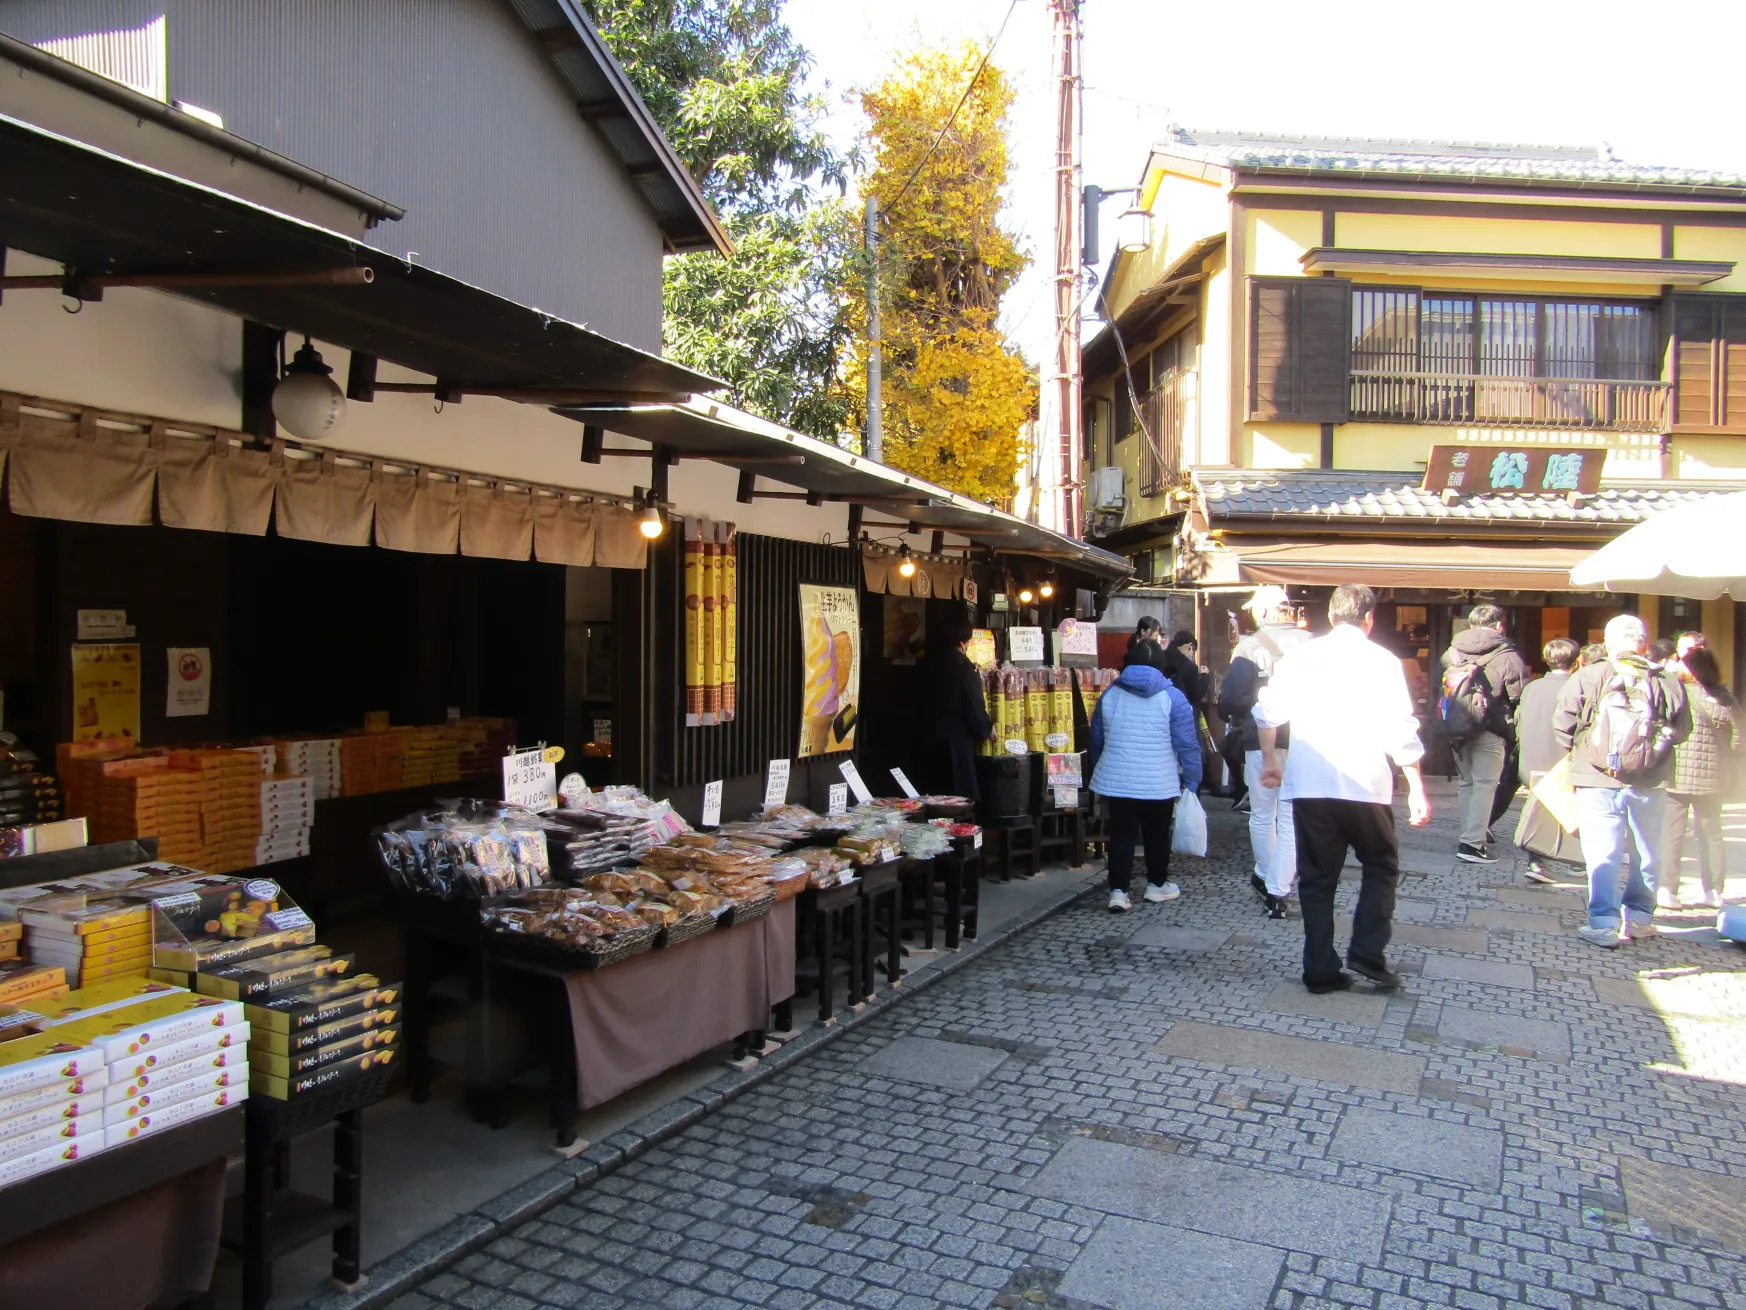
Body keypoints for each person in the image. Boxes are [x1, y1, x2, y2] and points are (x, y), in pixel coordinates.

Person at [1255, 584, 1430, 994]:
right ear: (1369, 618)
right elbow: (1400, 728)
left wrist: (1270, 761)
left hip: (1311, 783)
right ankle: (1368, 950)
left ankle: (1319, 968)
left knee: (1317, 877)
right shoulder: (1383, 661)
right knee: (1381, 864)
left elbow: (1267, 711)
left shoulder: (1300, 658)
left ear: (1330, 617)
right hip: (1365, 782)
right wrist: (1417, 785)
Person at [1553, 614, 1691, 949]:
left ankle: (1603, 922)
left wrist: (1585, 753)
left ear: (1610, 642)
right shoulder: (1666, 681)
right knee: (1647, 851)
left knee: (1603, 850)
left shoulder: (1590, 675)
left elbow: (1562, 725)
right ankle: (1640, 918)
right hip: (1649, 779)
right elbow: (1683, 730)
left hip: (1596, 777)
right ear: (1644, 642)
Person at [1216, 586, 1313, 918]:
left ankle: (1268, 877)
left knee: (1262, 814)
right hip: (1304, 738)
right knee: (1289, 818)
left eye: (1257, 611)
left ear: (1265, 612)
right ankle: (1278, 888)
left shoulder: (1248, 645)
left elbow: (1231, 699)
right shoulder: (1311, 643)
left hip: (1260, 737)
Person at [1088, 641, 1202, 913]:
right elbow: (1187, 743)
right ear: (1160, 665)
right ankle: (1156, 885)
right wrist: (1193, 780)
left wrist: (1097, 768)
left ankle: (1118, 891)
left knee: (1121, 835)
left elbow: (1096, 739)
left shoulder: (1110, 695)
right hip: (1159, 780)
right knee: (1157, 833)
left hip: (1118, 779)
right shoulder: (1172, 697)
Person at [1439, 603, 1528, 864]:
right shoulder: (1508, 655)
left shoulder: (1452, 653)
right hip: (1491, 728)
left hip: (1457, 728)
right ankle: (1472, 844)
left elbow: (1439, 687)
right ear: (1499, 625)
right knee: (1486, 785)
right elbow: (1517, 695)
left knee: (1467, 783)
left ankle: (1471, 832)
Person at [1662, 645, 1738, 909]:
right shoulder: (1725, 698)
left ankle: (1667, 888)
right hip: (1713, 776)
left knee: (1673, 832)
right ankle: (1714, 889)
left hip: (1677, 772)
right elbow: (1740, 738)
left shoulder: (1677, 694)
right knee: (1712, 833)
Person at [1513, 638, 1582, 884]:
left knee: (1537, 808)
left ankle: (1537, 861)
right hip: (1563, 759)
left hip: (1534, 757)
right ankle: (1575, 860)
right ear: (1576, 662)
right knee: (1570, 807)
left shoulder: (1532, 687)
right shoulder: (1578, 687)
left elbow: (1520, 721)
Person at [922, 615, 993, 802]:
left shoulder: (927, 663)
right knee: (957, 798)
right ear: (962, 642)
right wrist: (985, 729)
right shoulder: (964, 668)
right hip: (956, 740)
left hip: (927, 736)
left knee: (932, 796)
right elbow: (974, 705)